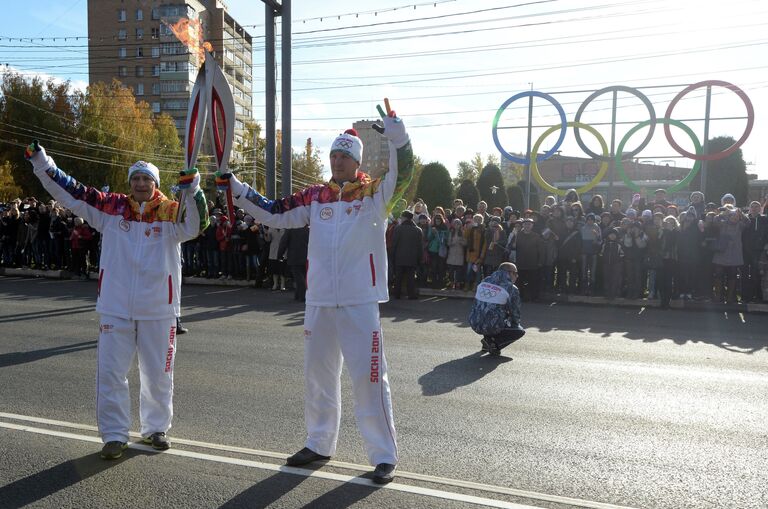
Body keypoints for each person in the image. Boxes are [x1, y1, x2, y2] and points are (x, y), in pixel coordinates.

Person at [217, 107, 412, 484]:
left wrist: (398, 138)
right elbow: (274, 212)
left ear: (356, 161)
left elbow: (404, 175)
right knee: (318, 376)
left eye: (344, 156)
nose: (337, 161)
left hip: (360, 300)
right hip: (320, 299)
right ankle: (319, 442)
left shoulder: (374, 195)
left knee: (369, 378)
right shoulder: (316, 197)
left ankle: (383, 455)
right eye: (334, 156)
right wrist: (238, 190)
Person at [25, 142, 208, 460]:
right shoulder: (110, 210)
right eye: (136, 178)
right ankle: (114, 435)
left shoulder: (170, 213)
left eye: (146, 179)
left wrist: (193, 190)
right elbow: (72, 191)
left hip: (158, 308)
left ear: (155, 184)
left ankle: (155, 429)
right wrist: (42, 162)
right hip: (116, 306)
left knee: (159, 374)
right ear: (130, 183)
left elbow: (198, 224)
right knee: (111, 373)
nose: (140, 184)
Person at [468, 262, 525, 356]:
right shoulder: (511, 288)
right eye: (515, 273)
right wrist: (515, 324)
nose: (517, 276)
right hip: (491, 325)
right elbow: (515, 313)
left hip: (474, 322)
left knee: (490, 312)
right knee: (519, 330)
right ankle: (494, 344)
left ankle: (487, 340)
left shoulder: (485, 280)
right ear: (509, 273)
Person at [391, 210, 423, 299]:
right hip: (412, 258)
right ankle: (411, 294)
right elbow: (420, 246)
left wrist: (392, 256)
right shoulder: (417, 230)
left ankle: (397, 294)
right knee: (410, 278)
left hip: (399, 257)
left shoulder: (398, 229)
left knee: (398, 277)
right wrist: (419, 258)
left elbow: (394, 244)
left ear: (405, 218)